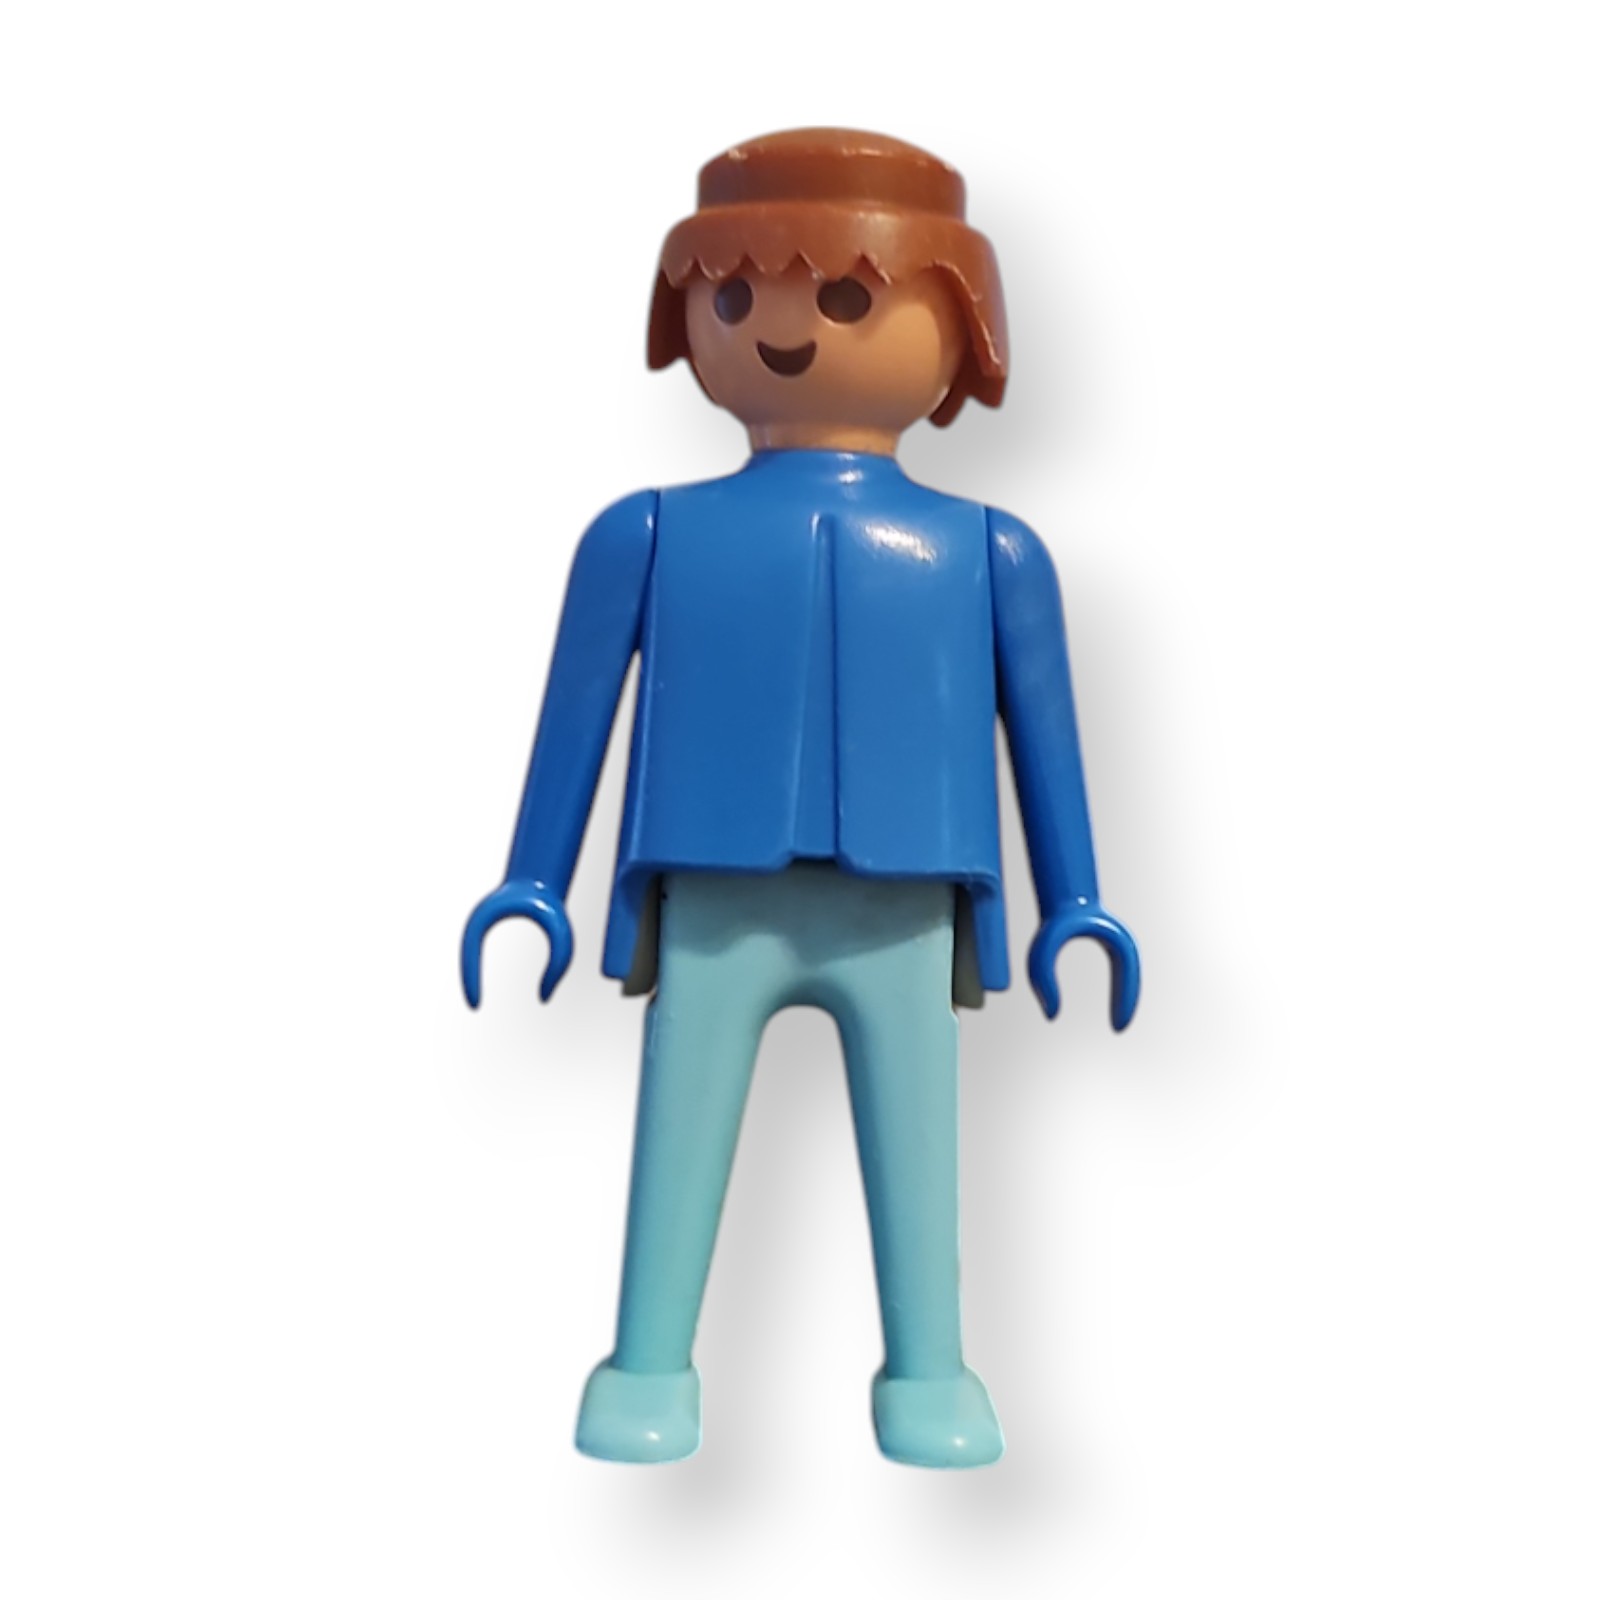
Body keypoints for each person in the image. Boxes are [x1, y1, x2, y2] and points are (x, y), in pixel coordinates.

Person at [462, 128, 1139, 1467]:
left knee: (919, 1151)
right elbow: (574, 715)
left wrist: (1077, 901)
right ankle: (649, 1363)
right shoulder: (643, 532)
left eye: (842, 296)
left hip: (905, 894)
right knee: (680, 1133)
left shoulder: (990, 550)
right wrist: (532, 878)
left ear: (961, 331)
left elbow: (1046, 732)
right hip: (714, 886)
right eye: (733, 293)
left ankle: (929, 1370)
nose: (784, 329)